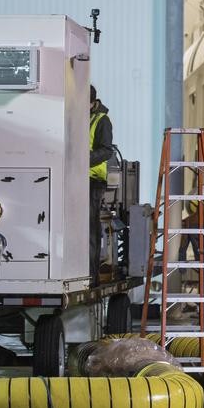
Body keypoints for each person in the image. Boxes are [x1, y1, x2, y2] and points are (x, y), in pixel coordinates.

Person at [89, 85, 115, 285]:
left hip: (92, 180)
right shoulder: (80, 117)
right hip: (74, 178)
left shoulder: (102, 121)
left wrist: (83, 159)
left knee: (90, 227)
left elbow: (106, 151)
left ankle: (91, 274)